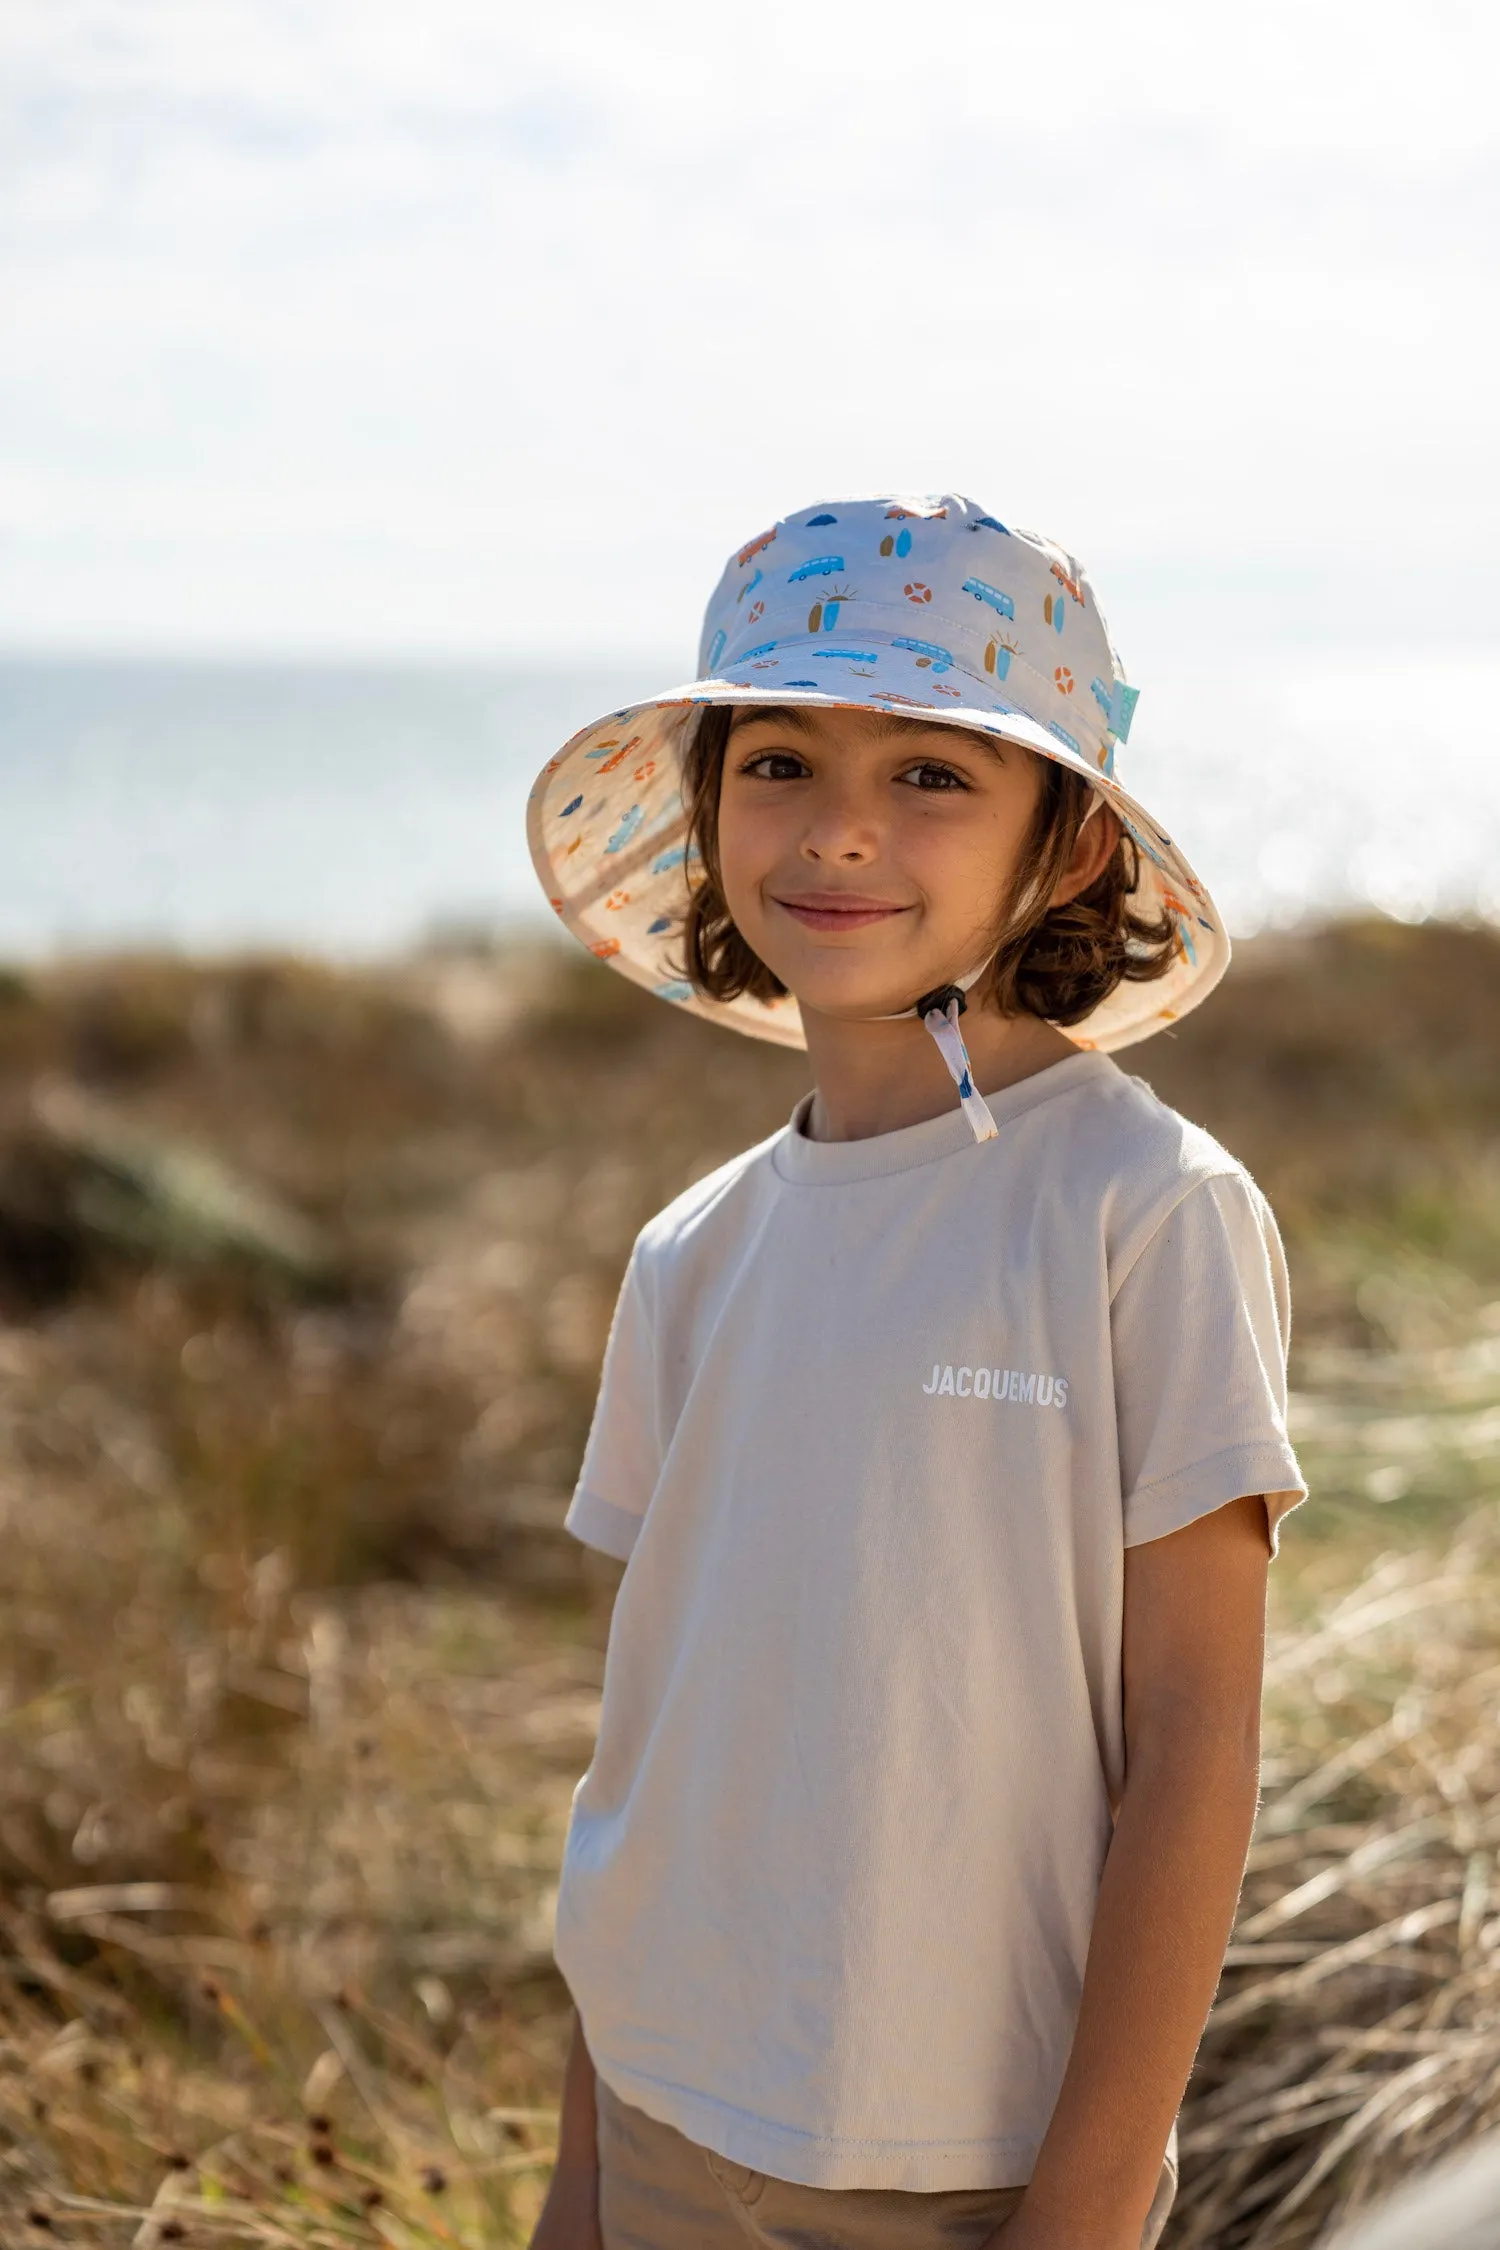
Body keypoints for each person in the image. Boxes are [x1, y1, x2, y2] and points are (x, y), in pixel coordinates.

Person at [524, 493, 1306, 2250]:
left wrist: (1090, 2208)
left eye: (936, 775)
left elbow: (1197, 1745)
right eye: (782, 760)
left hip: (963, 2170)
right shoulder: (694, 1248)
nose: (842, 833)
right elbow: (652, 1751)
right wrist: (579, 2184)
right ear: (710, 802)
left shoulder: (1145, 1211)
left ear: (1074, 847)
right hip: (658, 2119)